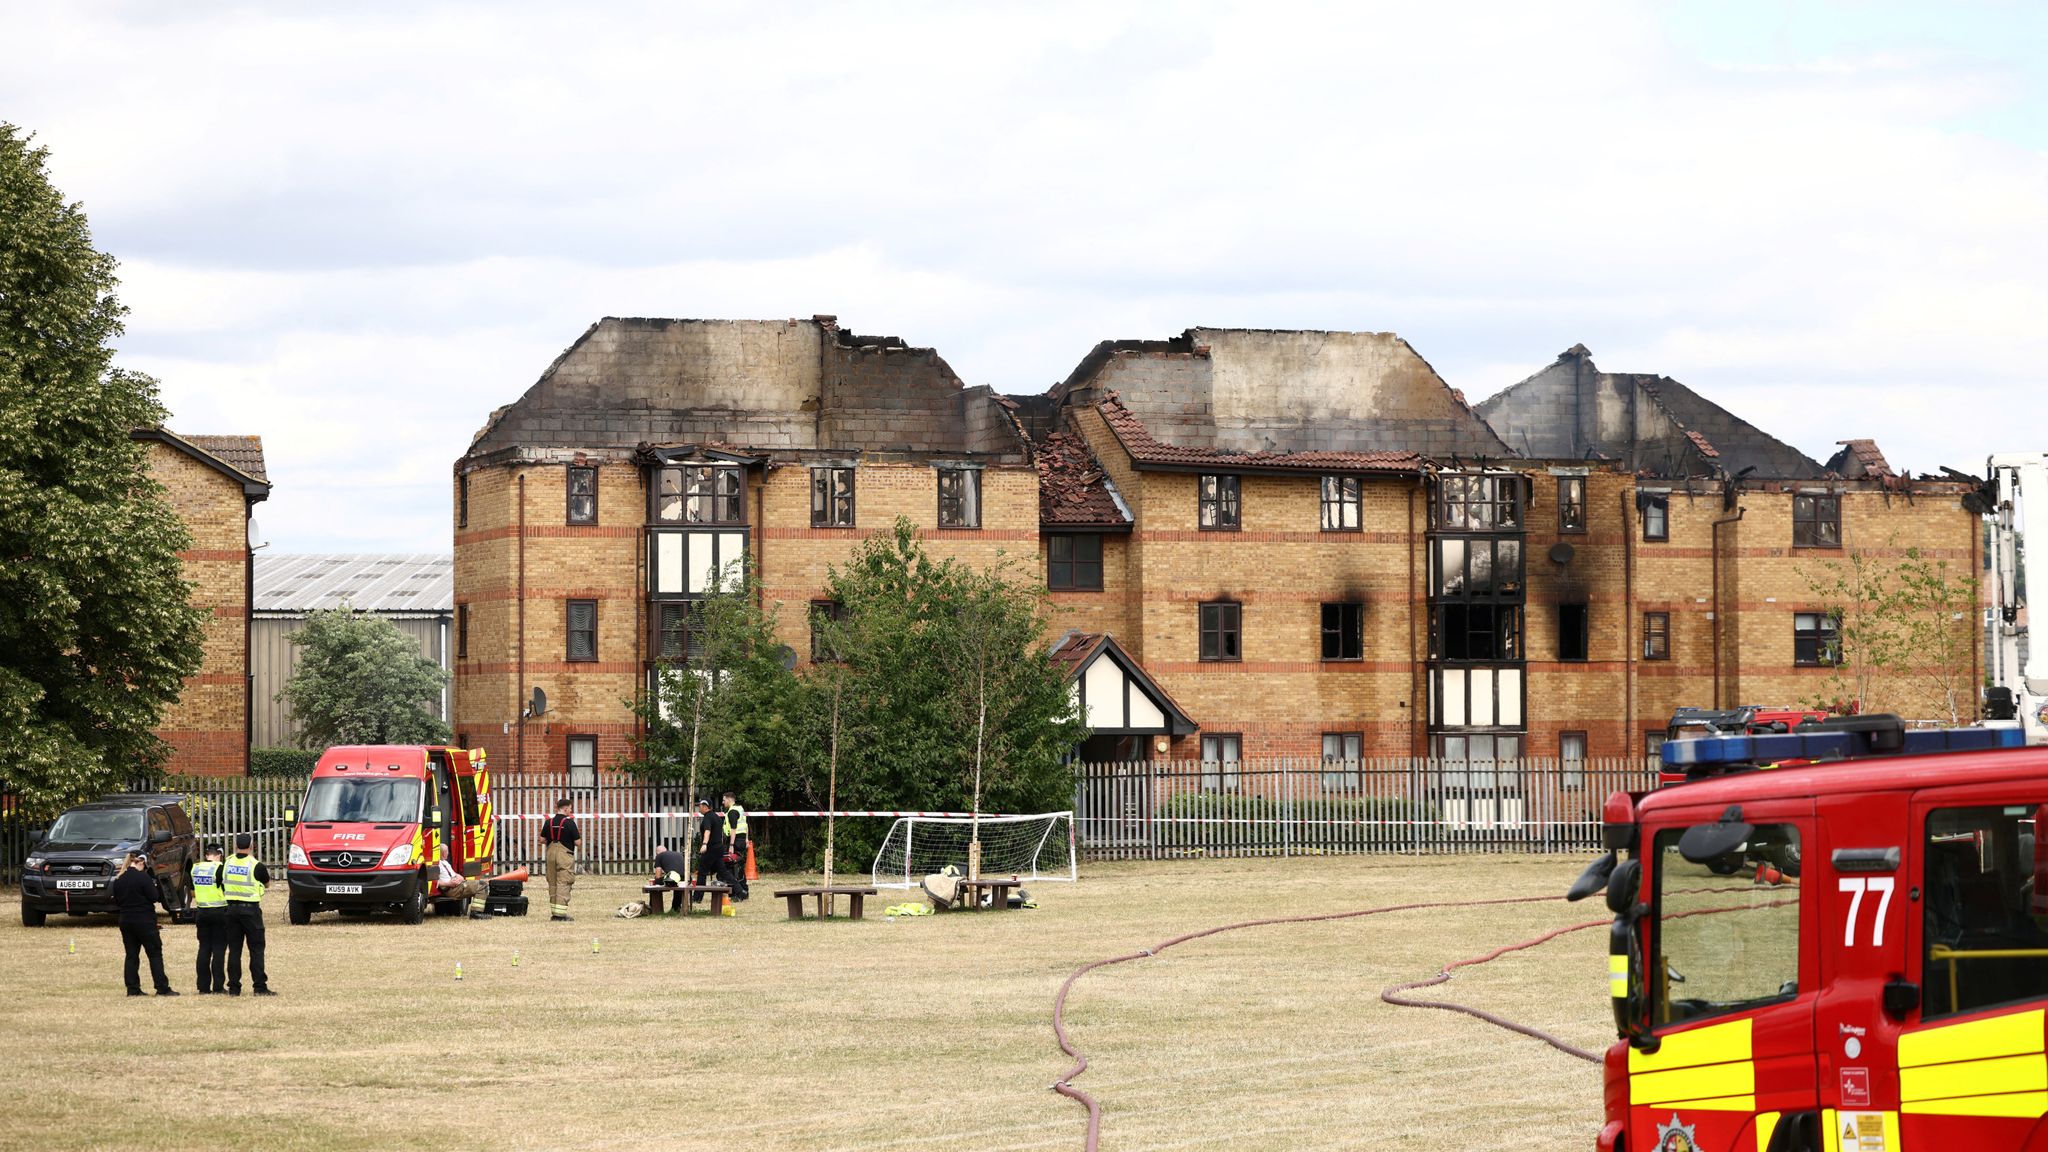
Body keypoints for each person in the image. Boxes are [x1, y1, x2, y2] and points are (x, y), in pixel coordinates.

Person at [110, 851, 176, 997]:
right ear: (141, 862)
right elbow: (154, 897)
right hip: (144, 920)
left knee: (131, 955)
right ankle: (162, 988)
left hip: (126, 920)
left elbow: (117, 901)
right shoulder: (143, 877)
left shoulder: (119, 879)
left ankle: (132, 989)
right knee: (154, 954)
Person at [221, 833, 276, 997]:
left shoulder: (227, 862)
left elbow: (220, 881)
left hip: (231, 910)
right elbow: (267, 884)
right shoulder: (256, 865)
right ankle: (259, 987)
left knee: (234, 950)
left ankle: (234, 988)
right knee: (256, 949)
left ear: (235, 846)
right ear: (252, 846)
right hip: (250, 910)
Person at [188, 842, 228, 994]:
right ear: (219, 855)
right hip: (219, 911)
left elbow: (192, 892)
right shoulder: (220, 868)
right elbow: (226, 889)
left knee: (204, 948)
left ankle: (203, 986)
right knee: (218, 950)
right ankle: (218, 986)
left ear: (206, 855)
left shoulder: (195, 868)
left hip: (202, 912)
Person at [541, 798, 580, 922]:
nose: (571, 810)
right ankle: (560, 914)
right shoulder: (570, 823)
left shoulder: (549, 822)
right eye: (570, 808)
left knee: (552, 882)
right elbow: (578, 842)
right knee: (564, 882)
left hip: (551, 854)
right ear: (565, 808)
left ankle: (554, 912)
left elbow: (542, 840)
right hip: (564, 855)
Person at [694, 798, 728, 902]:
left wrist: (704, 844)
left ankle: (697, 897)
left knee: (702, 872)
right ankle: (739, 891)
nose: (699, 807)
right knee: (723, 872)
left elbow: (707, 831)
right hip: (718, 848)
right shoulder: (717, 817)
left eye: (700, 805)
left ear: (705, 807)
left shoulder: (707, 818)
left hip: (710, 849)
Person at [722, 791, 750, 902]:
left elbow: (733, 829)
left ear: (729, 800)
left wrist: (731, 845)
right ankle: (744, 890)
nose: (723, 802)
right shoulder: (740, 809)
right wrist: (746, 839)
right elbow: (745, 825)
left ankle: (736, 893)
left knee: (732, 867)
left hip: (735, 841)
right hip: (741, 840)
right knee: (739, 867)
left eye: (724, 800)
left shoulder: (732, 811)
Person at [650, 847, 691, 913]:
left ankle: (653, 908)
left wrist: (657, 881)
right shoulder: (678, 854)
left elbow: (658, 874)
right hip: (687, 878)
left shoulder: (659, 856)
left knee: (656, 882)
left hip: (673, 878)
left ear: (657, 853)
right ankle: (676, 908)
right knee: (678, 884)